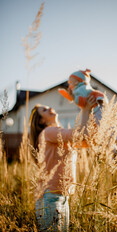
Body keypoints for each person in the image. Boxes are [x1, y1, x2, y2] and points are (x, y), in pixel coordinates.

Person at [29, 96, 95, 231]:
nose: (50, 109)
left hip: (60, 196)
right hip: (51, 197)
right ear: (41, 120)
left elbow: (86, 140)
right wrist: (84, 109)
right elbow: (80, 135)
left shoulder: (57, 134)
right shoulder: (48, 132)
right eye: (45, 110)